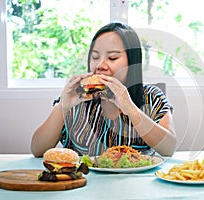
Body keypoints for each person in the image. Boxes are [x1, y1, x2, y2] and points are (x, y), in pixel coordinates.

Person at [30, 22, 176, 157]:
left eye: (112, 58)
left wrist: (131, 109)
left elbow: (168, 149)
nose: (100, 65)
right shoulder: (75, 97)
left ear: (133, 62)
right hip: (83, 182)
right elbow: (37, 150)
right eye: (94, 57)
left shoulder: (152, 96)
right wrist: (62, 107)